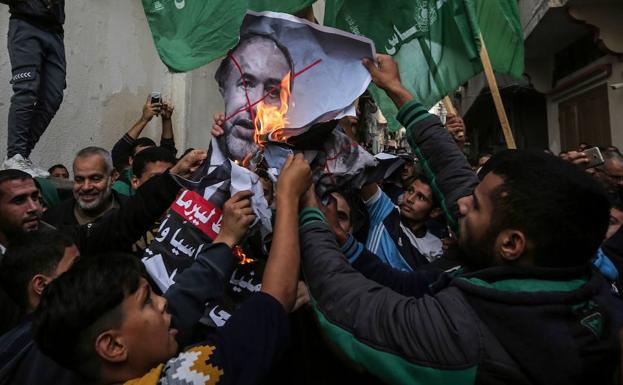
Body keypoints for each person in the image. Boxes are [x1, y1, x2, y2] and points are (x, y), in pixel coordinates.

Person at [298, 55, 623, 385]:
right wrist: (398, 91)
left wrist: (309, 209)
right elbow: (452, 173)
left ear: (511, 244)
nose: (461, 204)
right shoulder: (572, 274)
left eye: (477, 206)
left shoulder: (468, 336)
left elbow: (346, 304)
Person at [32, 154, 312, 385]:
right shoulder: (184, 378)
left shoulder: (94, 353)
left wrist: (225, 239)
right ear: (113, 347)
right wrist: (289, 196)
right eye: (146, 302)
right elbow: (275, 298)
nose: (164, 300)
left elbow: (185, 298)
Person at [0, 229, 81, 385]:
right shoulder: (60, 346)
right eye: (76, 266)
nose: (86, 271)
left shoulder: (9, 346)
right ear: (42, 285)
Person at [2, 0, 65, 177]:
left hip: (55, 30)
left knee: (53, 97)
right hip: (26, 23)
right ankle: (15, 155)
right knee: (26, 91)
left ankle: (21, 156)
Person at [214, 33, 294, 161]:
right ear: (224, 89)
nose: (256, 106)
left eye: (273, 92)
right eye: (246, 84)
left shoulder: (296, 174)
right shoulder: (194, 171)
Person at [42, 147, 127, 227]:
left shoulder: (132, 211)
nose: (86, 187)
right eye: (79, 180)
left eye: (95, 179)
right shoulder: (53, 219)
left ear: (113, 176)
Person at [111, 96, 177, 196]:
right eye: (142, 156)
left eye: (152, 156)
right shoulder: (122, 186)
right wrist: (144, 119)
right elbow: (119, 151)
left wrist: (166, 119)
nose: (148, 160)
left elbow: (167, 151)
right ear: (131, 161)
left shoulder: (162, 177)